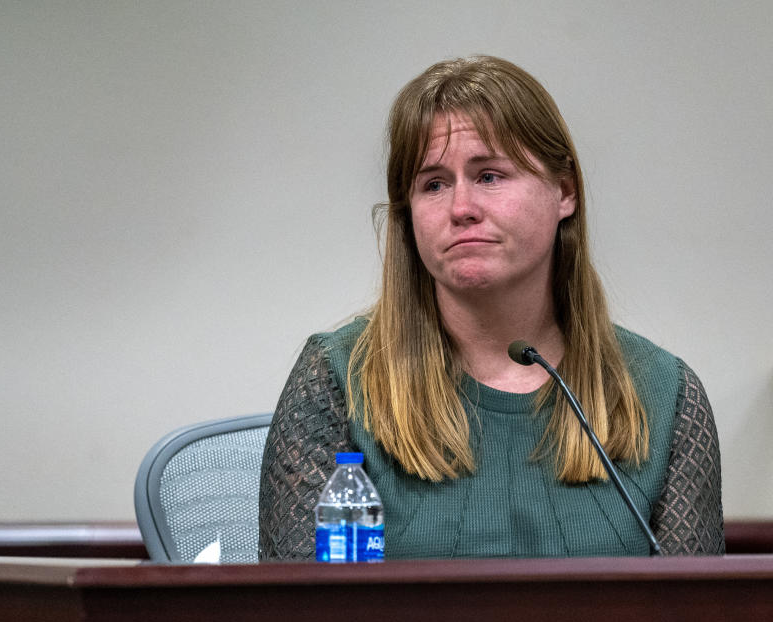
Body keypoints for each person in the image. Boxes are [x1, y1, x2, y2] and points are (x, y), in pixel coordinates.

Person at [258, 55, 723, 560]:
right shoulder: (337, 380)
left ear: (564, 191)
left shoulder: (664, 394)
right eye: (433, 184)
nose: (462, 208)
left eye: (490, 176)